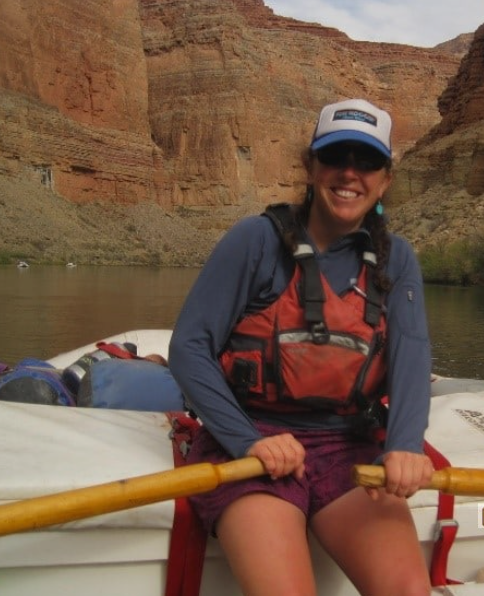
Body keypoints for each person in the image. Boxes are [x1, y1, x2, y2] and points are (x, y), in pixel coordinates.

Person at [169, 98, 434, 596]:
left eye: (367, 161)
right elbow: (188, 348)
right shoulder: (255, 240)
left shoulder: (396, 260)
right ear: (311, 166)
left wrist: (403, 446)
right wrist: (248, 441)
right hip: (249, 444)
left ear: (385, 179)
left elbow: (412, 364)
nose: (349, 173)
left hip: (347, 446)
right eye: (336, 157)